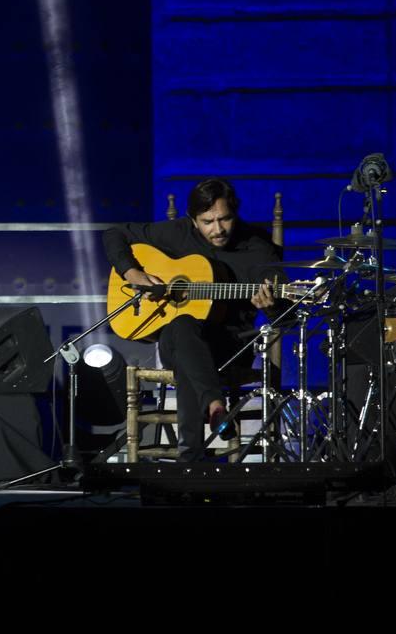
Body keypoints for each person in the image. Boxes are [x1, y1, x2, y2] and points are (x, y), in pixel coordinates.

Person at [103, 178, 280, 461]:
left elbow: (286, 315)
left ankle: (192, 457)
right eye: (207, 221)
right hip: (179, 342)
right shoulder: (177, 234)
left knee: (187, 350)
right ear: (193, 220)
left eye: (225, 219)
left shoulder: (258, 248)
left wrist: (271, 305)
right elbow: (115, 233)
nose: (218, 229)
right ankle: (213, 406)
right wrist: (132, 273)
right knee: (184, 325)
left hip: (231, 348)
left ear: (235, 213)